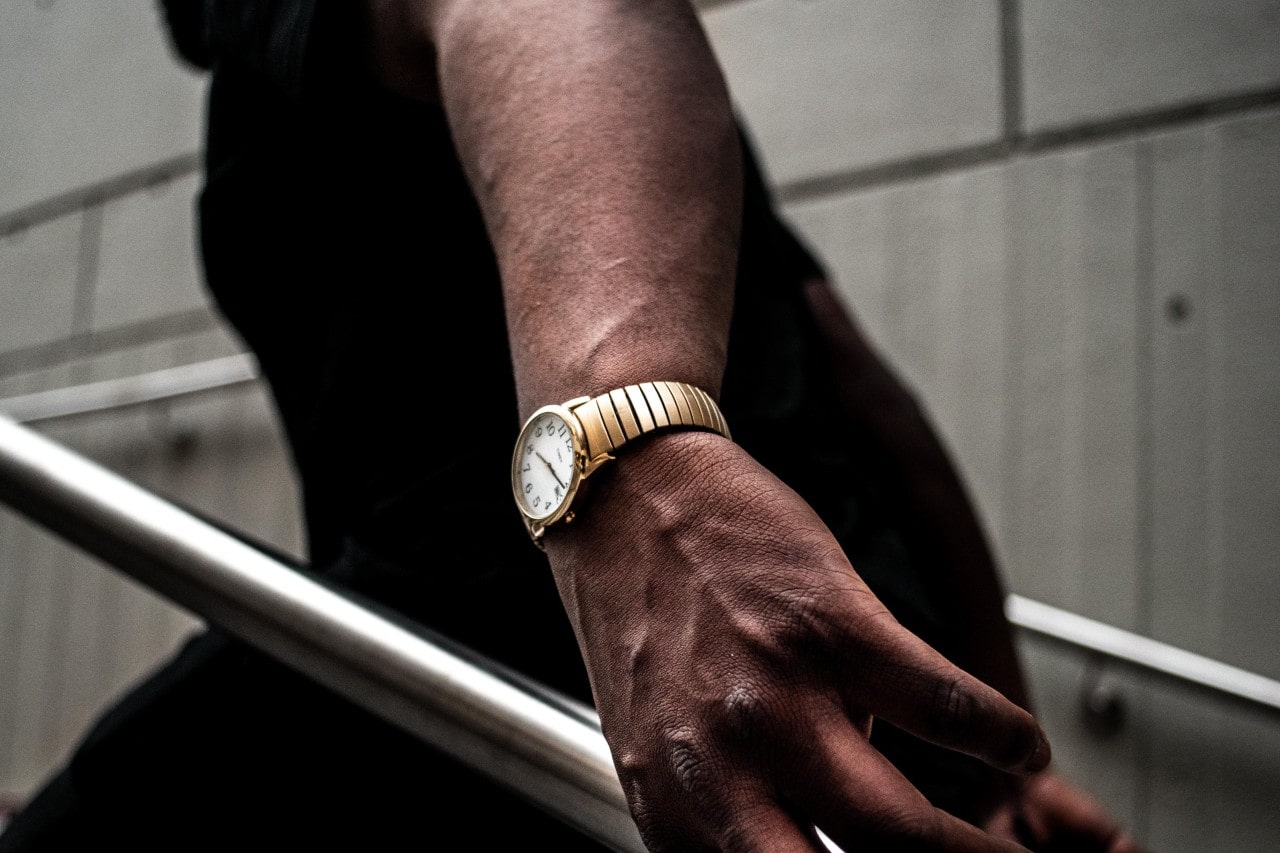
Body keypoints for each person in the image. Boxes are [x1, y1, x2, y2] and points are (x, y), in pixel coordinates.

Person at [0, 1, 1140, 850]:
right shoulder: (645, 117)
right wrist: (1005, 750)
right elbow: (865, 389)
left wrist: (640, 468)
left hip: (538, 640)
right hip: (817, 673)